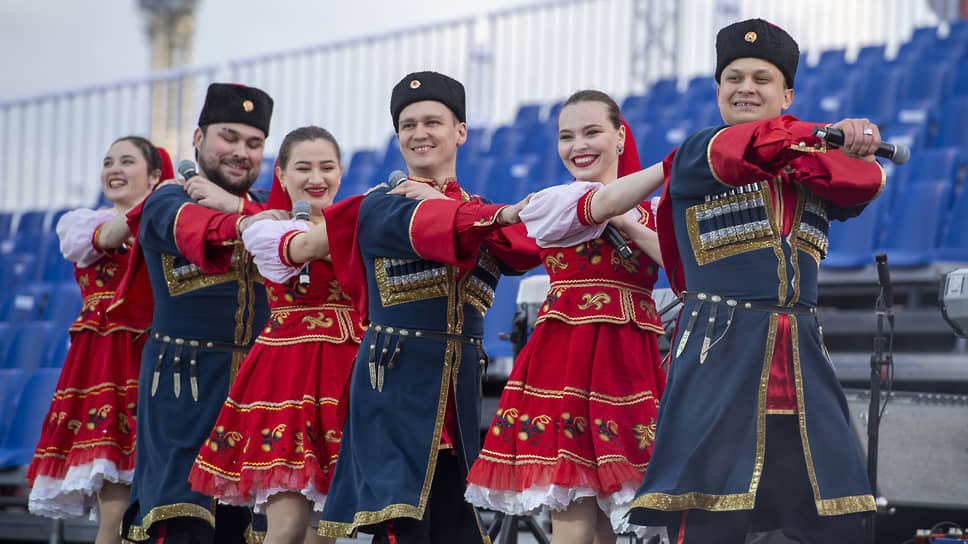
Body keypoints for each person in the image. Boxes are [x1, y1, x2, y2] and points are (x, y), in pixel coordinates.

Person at [625, 19, 885, 543]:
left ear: (786, 93)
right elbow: (742, 152)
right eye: (734, 78)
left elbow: (865, 179)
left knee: (837, 521)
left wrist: (832, 146)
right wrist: (819, 136)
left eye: (762, 79)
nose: (746, 87)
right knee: (712, 519)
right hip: (719, 359)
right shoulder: (699, 152)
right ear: (717, 91)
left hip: (802, 365)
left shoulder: (809, 164)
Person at [316, 70, 541, 543]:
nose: (419, 133)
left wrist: (490, 215)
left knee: (454, 526)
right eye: (407, 124)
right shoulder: (381, 206)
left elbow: (525, 247)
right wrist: (495, 214)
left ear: (460, 131)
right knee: (403, 524)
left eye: (432, 122)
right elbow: (433, 226)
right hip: (393, 388)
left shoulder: (478, 213)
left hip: (457, 397)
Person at [464, 89, 667, 544]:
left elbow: (679, 266)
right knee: (572, 508)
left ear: (620, 137)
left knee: (609, 516)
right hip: (569, 357)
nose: (579, 146)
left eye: (592, 132)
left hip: (627, 360)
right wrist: (618, 207)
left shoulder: (651, 211)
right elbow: (597, 206)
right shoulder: (553, 201)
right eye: (567, 136)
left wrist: (629, 222)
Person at [116, 82, 285, 544]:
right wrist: (243, 221)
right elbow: (188, 226)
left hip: (252, 398)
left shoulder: (273, 208)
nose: (240, 152)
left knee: (241, 530)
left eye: (254, 143)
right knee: (181, 523)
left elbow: (313, 232)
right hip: (182, 392)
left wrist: (243, 209)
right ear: (198, 138)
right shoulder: (166, 200)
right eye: (228, 137)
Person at [187, 126, 364, 544]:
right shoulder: (265, 229)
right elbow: (309, 247)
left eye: (327, 167)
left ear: (340, 173)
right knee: (285, 529)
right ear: (282, 175)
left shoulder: (355, 223)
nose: (316, 178)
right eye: (303, 168)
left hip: (344, 374)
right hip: (287, 373)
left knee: (326, 530)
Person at [26, 136, 170, 544]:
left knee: (157, 501)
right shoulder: (81, 221)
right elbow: (105, 239)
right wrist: (158, 205)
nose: (115, 169)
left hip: (152, 350)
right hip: (106, 357)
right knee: (116, 506)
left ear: (154, 176)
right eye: (109, 162)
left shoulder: (166, 224)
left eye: (128, 161)